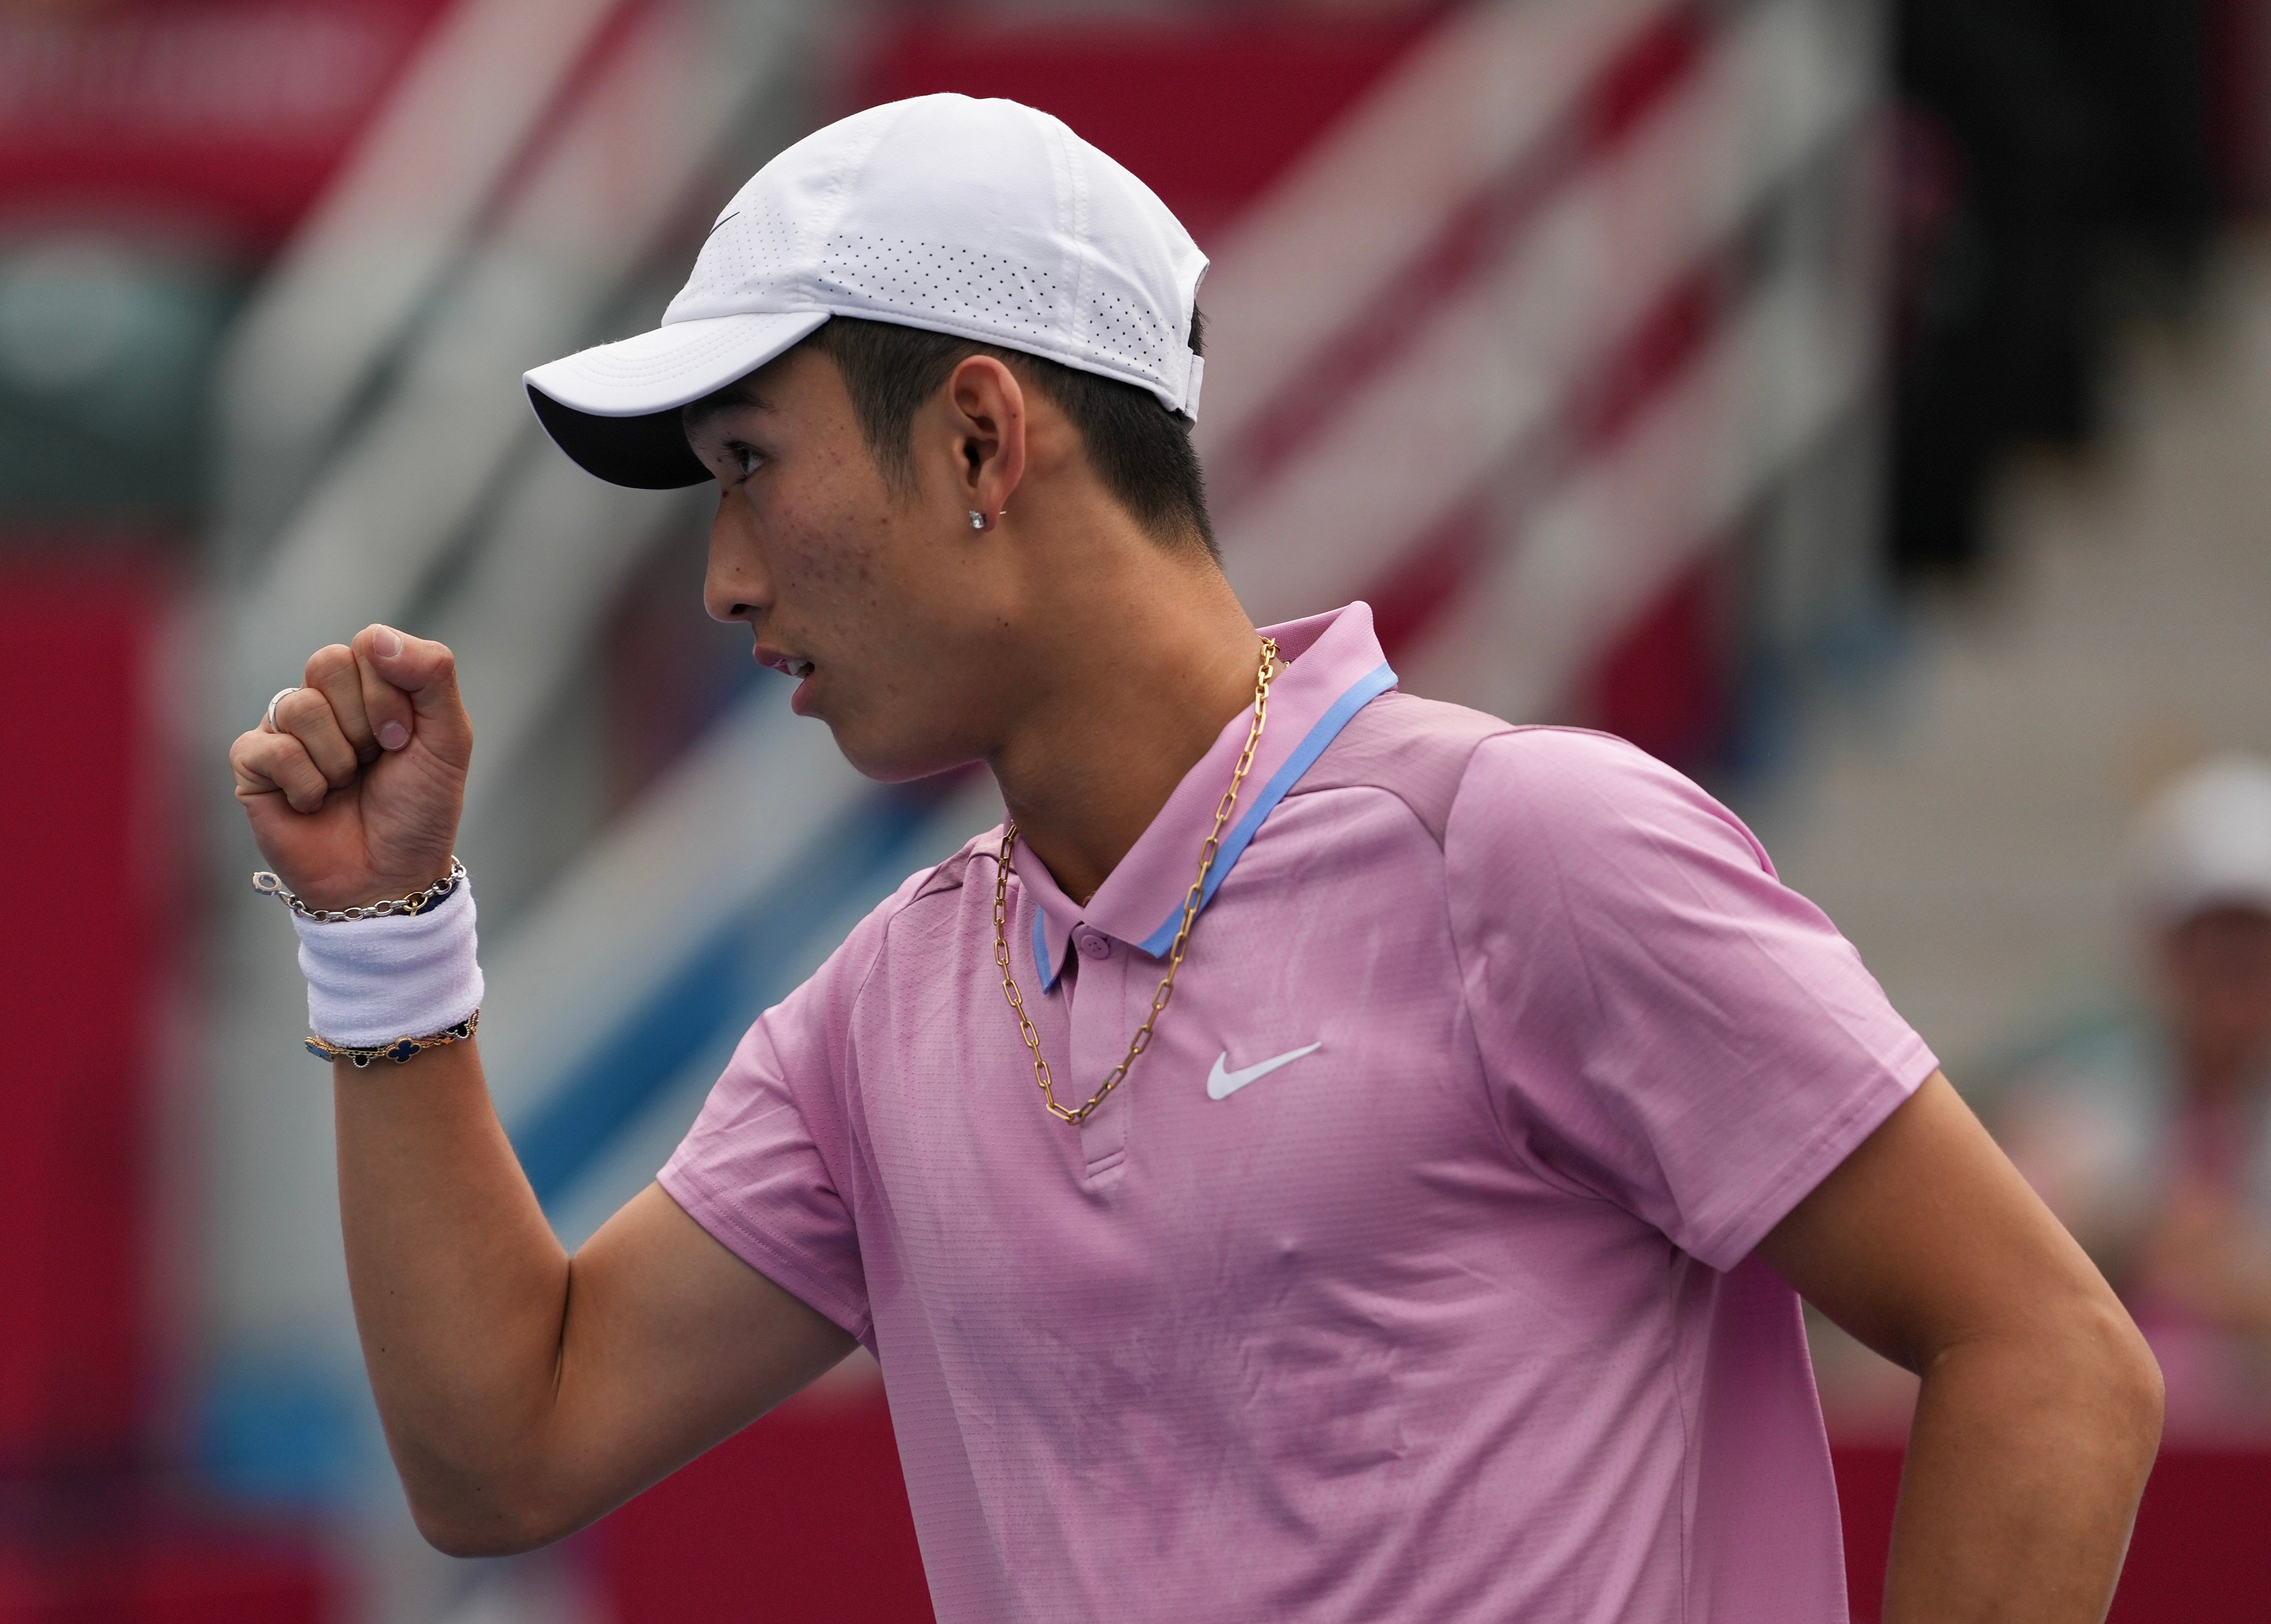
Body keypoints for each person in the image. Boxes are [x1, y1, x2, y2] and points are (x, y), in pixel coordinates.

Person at [230, 95, 2159, 1621]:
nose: (727, 578)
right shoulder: (880, 1010)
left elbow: (2048, 1357)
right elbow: (502, 1456)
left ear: (980, 440)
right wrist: (385, 932)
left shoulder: (1528, 845)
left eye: (750, 466)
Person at [1985, 754, 2271, 1422]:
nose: (2232, 967)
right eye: (2211, 938)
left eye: (2254, 943)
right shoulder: (2067, 1091)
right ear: (2163, 946)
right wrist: (2135, 1238)